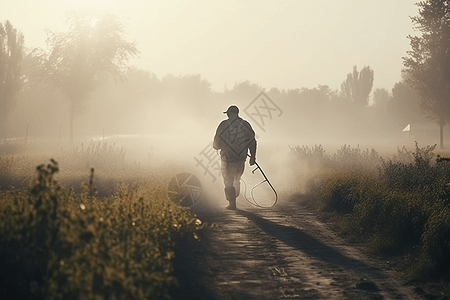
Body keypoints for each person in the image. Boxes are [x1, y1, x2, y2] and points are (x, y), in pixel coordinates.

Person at [213, 105, 257, 210]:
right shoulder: (245, 125)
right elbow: (252, 142)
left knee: (228, 180)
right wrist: (253, 157)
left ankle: (232, 203)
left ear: (228, 114)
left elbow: (216, 144)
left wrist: (220, 146)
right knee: (236, 178)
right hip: (241, 159)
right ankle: (235, 193)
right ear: (237, 113)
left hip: (226, 159)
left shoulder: (223, 125)